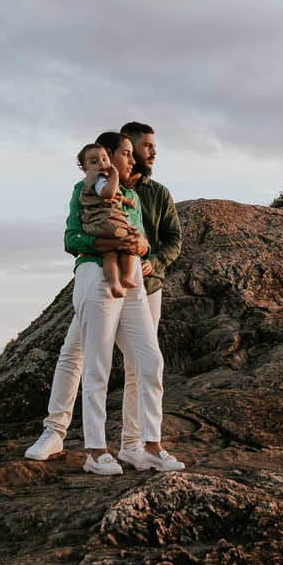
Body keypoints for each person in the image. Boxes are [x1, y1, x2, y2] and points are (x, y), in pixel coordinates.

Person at [25, 133, 184, 475]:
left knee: (149, 360)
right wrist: (111, 241)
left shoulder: (137, 194)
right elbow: (73, 238)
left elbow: (146, 239)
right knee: (92, 362)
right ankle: (93, 450)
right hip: (95, 276)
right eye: (126, 153)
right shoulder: (84, 188)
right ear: (108, 156)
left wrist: (142, 247)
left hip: (138, 282)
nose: (131, 159)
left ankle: (149, 445)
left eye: (131, 154)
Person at [95, 123, 181, 467]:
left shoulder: (159, 193)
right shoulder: (102, 189)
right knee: (86, 360)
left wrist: (153, 260)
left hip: (149, 288)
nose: (151, 152)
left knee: (140, 365)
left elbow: (174, 239)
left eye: (150, 147)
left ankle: (133, 445)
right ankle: (68, 437)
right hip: (108, 284)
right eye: (144, 146)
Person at [75, 142, 142, 295]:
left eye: (104, 159)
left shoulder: (92, 183)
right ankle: (126, 276)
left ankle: (114, 283)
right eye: (94, 162)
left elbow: (113, 196)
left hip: (97, 225)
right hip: (107, 222)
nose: (101, 164)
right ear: (85, 169)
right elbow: (108, 194)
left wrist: (126, 201)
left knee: (109, 254)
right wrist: (115, 175)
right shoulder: (99, 179)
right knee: (130, 242)